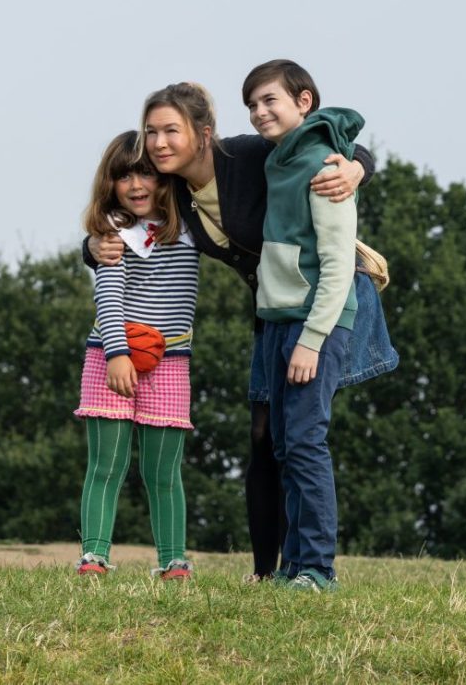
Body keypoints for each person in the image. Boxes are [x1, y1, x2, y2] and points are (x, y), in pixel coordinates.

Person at [85, 81, 393, 582]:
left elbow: (331, 146)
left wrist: (358, 168)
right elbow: (127, 236)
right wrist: (92, 249)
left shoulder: (246, 156)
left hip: (321, 299)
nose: (159, 143)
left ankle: (312, 568)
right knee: (264, 437)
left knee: (301, 434)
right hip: (271, 309)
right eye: (151, 133)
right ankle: (266, 571)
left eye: (170, 131)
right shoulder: (176, 195)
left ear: (203, 133)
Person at [245, 59, 362, 591]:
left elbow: (338, 266)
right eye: (252, 104)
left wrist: (312, 341)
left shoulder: (323, 165)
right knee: (284, 447)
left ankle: (318, 568)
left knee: (307, 443)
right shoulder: (278, 160)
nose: (259, 111)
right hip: (277, 320)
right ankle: (293, 566)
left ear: (304, 102)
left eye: (270, 100)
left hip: (314, 324)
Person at [73, 130, 199, 581]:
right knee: (106, 465)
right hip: (111, 357)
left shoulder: (191, 222)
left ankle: (172, 561)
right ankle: (94, 556)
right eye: (123, 176)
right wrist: (117, 354)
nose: (135, 185)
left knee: (164, 472)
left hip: (171, 361)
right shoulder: (113, 230)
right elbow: (107, 296)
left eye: (145, 171)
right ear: (110, 184)